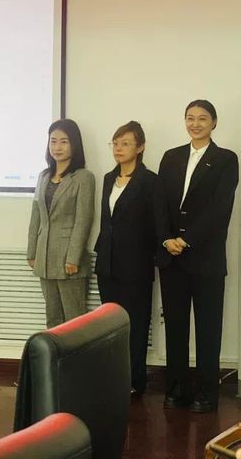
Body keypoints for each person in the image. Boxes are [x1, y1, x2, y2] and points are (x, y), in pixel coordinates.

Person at [155, 99, 239, 414]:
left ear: (214, 122)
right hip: (172, 258)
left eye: (202, 118)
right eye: (190, 118)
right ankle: (177, 389)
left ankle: (206, 394)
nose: (195, 124)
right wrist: (167, 238)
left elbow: (220, 209)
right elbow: (159, 203)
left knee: (208, 329)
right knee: (176, 328)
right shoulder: (171, 157)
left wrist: (186, 239)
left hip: (206, 259)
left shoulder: (226, 159)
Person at [93, 121, 157, 395]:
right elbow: (106, 221)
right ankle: (113, 378)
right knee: (110, 325)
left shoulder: (149, 181)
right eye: (115, 143)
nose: (118, 149)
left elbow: (155, 224)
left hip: (135, 265)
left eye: (126, 143)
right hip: (107, 262)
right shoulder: (109, 178)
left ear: (140, 147)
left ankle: (134, 381)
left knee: (135, 324)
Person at [27, 119, 95, 328]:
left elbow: (83, 219)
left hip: (69, 260)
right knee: (53, 319)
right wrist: (32, 252)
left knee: (75, 321)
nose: (57, 147)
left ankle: (79, 352)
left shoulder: (83, 177)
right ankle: (55, 352)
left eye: (64, 141)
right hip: (45, 257)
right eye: (53, 141)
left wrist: (73, 257)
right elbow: (36, 216)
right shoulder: (43, 176)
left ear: (74, 144)